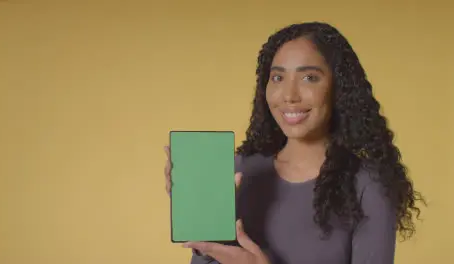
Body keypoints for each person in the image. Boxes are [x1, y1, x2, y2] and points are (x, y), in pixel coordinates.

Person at [163, 22, 425, 264]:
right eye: (277, 77)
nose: (289, 95)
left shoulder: (368, 185)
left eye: (309, 77)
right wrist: (202, 223)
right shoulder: (240, 170)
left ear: (338, 88)